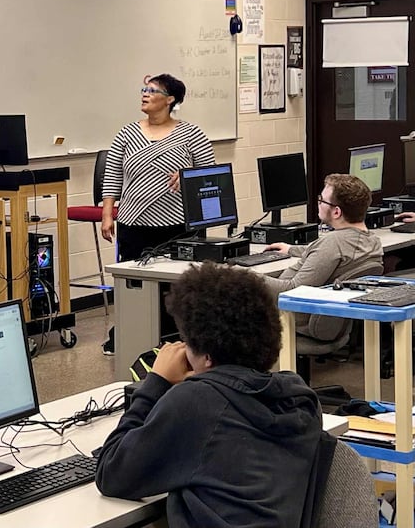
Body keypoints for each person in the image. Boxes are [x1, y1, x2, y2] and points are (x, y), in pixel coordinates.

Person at [95, 262, 323, 528]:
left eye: (187, 342)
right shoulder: (298, 396)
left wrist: (156, 383)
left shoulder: (197, 403)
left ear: (206, 356)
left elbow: (111, 473)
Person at [100, 74, 214, 353]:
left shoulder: (191, 134)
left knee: (179, 289)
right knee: (134, 287)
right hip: (133, 223)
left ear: (170, 99)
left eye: (152, 90)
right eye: (144, 89)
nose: (145, 94)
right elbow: (112, 175)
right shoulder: (127, 133)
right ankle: (131, 336)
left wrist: (187, 175)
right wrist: (107, 214)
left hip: (177, 225)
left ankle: (178, 341)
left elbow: (209, 175)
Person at [257, 173, 383, 296]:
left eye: (322, 200)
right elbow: (325, 253)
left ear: (336, 212)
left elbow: (294, 290)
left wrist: (243, 274)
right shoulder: (372, 240)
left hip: (288, 311)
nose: (319, 203)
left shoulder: (333, 243)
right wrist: (291, 249)